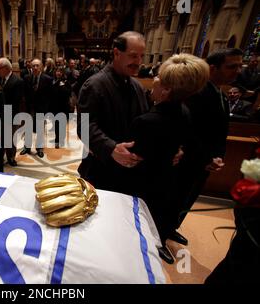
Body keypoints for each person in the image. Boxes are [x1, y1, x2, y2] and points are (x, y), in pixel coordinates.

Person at [128, 54, 210, 264]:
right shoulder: (184, 111)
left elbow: (134, 159)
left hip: (143, 185)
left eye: (158, 79)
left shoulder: (146, 122)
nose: (153, 81)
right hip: (168, 181)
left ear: (166, 90)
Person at [174, 48, 244, 246]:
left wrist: (218, 156)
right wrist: (87, 148)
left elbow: (219, 132)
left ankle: (171, 227)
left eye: (240, 66)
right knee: (176, 196)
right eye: (232, 66)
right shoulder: (198, 92)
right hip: (190, 159)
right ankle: (160, 232)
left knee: (187, 198)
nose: (237, 71)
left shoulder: (220, 94)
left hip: (203, 162)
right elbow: (190, 131)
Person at [77, 31, 149, 193]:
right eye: (133, 56)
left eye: (141, 56)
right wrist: (111, 148)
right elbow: (85, 127)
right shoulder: (95, 85)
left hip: (130, 171)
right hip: (102, 170)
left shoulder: (138, 87)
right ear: (117, 53)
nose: (138, 62)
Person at [22, 58, 53, 158]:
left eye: (37, 65)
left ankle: (39, 148)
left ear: (41, 67)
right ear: (31, 67)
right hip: (29, 108)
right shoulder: (27, 78)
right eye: (33, 65)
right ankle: (27, 147)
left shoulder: (48, 79)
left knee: (40, 129)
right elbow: (25, 94)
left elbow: (49, 96)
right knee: (28, 128)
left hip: (41, 108)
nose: (35, 67)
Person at [0, 57, 24, 166]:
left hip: (12, 114)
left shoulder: (17, 81)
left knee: (10, 138)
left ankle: (11, 157)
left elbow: (16, 100)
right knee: (1, 137)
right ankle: (1, 156)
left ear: (7, 68)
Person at [50, 66, 72, 148]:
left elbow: (68, 93)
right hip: (54, 107)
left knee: (61, 124)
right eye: (57, 71)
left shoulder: (66, 82)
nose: (58, 73)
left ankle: (61, 140)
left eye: (60, 72)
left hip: (63, 107)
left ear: (63, 73)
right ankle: (57, 139)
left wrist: (62, 86)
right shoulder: (53, 81)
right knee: (55, 124)